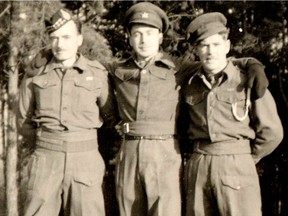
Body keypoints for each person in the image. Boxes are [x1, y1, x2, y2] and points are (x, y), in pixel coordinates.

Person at [108, 3, 269, 216]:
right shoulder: (115, 69)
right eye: (137, 33)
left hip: (165, 153)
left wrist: (252, 63)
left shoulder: (179, 68)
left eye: (149, 33)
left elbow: (217, 61)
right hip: (129, 152)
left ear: (160, 37)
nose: (144, 40)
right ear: (128, 37)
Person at [181, 12, 283, 216]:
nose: (210, 52)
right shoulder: (189, 84)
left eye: (216, 45)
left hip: (237, 164)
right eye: (204, 45)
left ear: (227, 46)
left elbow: (272, 133)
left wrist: (244, 157)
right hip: (199, 164)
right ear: (196, 50)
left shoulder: (247, 80)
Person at [17, 9, 117, 216]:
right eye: (54, 38)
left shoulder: (97, 73)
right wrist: (47, 144)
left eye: (66, 37)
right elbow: (23, 120)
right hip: (46, 158)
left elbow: (109, 118)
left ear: (79, 40)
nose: (59, 44)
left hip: (86, 158)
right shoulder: (34, 75)